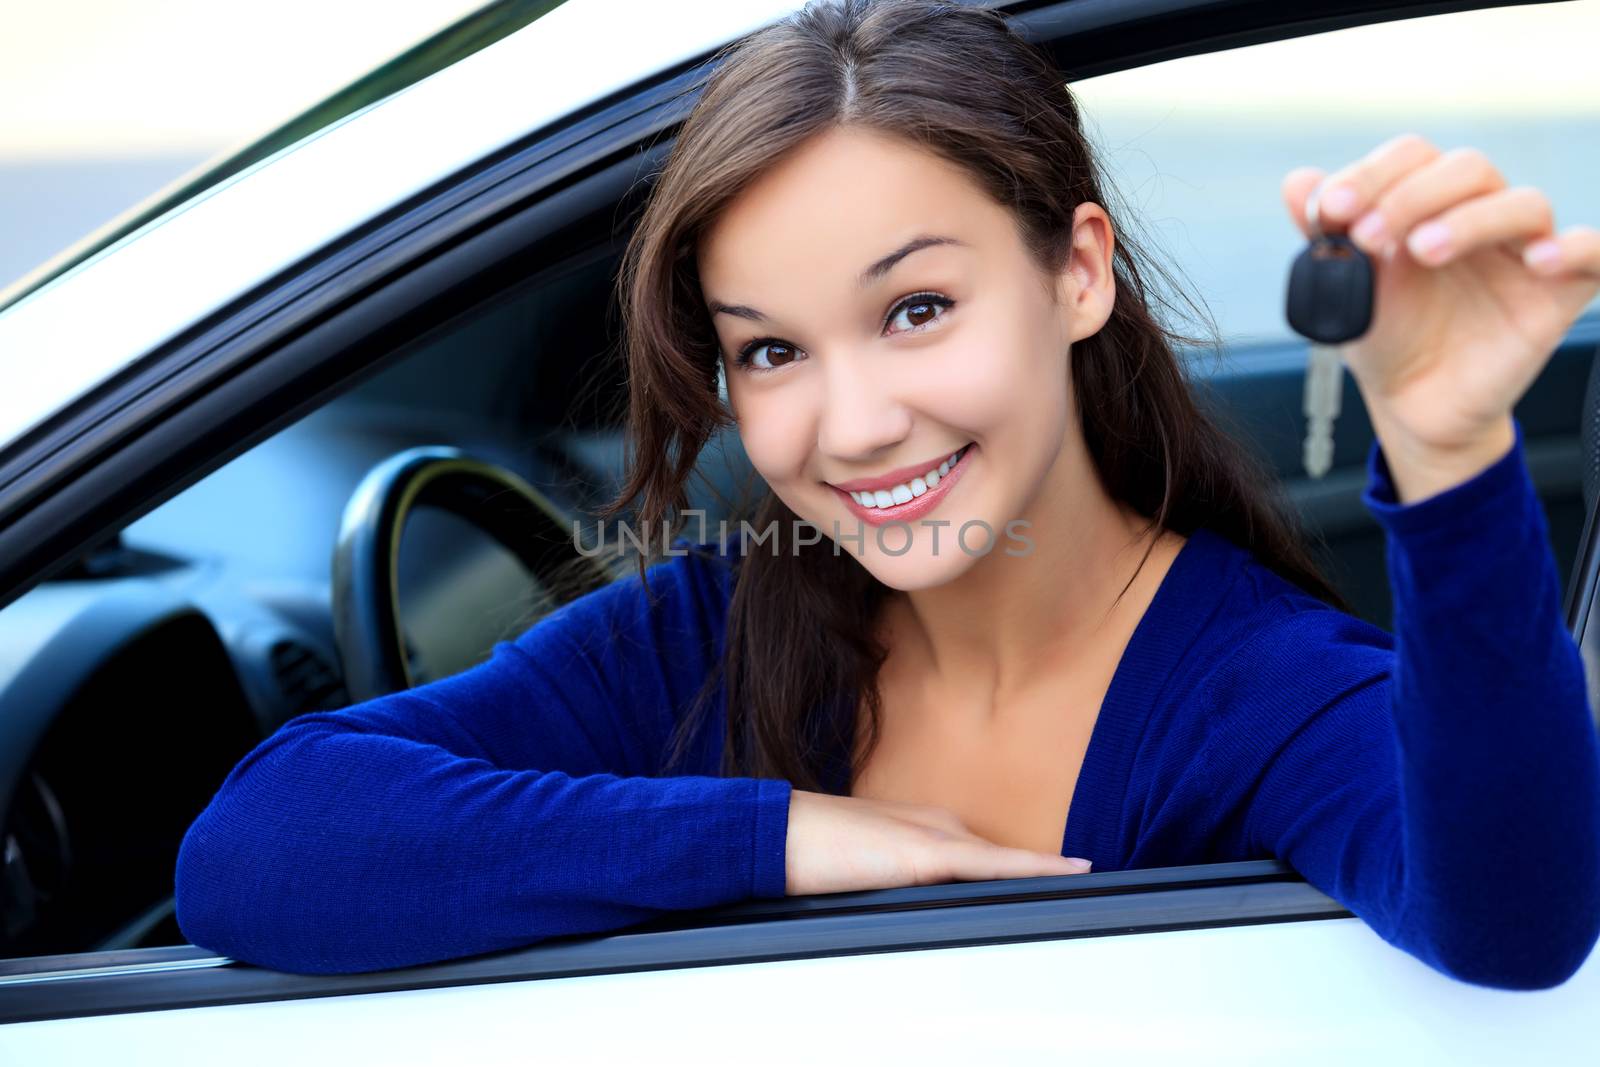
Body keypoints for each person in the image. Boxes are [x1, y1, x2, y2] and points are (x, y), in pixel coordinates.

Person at [173, 0, 1600, 985]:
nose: (852, 425)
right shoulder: (712, 638)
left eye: (917, 309)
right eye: (773, 349)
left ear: (1078, 271)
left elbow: (1518, 923)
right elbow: (265, 844)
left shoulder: (1256, 689)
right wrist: (786, 838)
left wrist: (1447, 450)